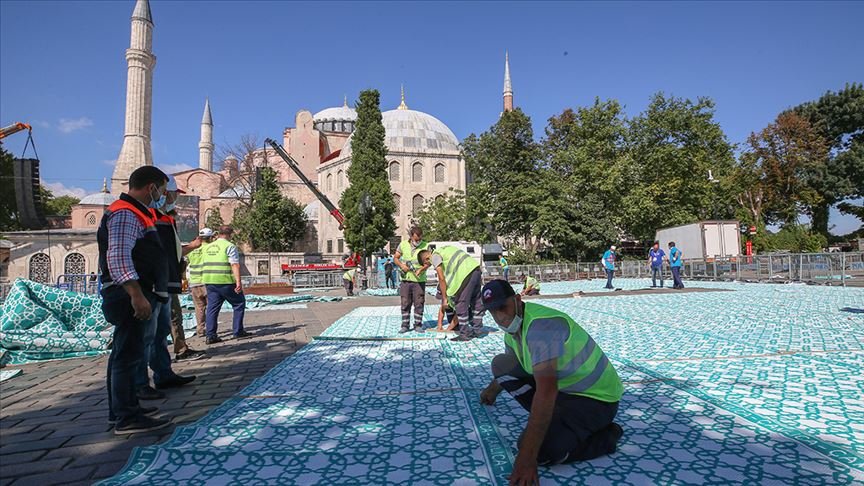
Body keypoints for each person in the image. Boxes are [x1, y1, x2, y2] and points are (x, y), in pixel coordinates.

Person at [479, 280, 624, 483]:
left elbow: (546, 392)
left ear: (518, 300)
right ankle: (556, 422)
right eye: (492, 312)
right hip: (566, 391)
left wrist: (526, 459)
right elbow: (516, 368)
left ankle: (607, 437)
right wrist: (493, 389)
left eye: (503, 307)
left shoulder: (541, 327)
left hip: (596, 400)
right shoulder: (514, 330)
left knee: (540, 452)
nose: (499, 317)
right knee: (501, 365)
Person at [98, 166, 171, 434]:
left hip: (133, 292)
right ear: (150, 187)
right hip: (128, 294)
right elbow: (118, 256)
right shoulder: (127, 212)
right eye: (161, 190)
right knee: (127, 355)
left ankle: (123, 409)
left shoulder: (136, 212)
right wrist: (136, 295)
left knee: (125, 353)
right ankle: (126, 417)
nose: (161, 196)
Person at [158, 175, 207, 362]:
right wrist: (193, 247)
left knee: (173, 317)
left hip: (170, 278)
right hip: (161, 281)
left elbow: (174, 251)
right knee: (168, 319)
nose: (174, 199)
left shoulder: (167, 219)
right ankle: (176, 352)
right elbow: (169, 251)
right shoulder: (158, 219)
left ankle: (175, 354)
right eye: (172, 194)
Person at [418, 245, 485, 342]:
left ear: (427, 258)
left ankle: (465, 334)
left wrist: (445, 298)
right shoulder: (444, 249)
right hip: (475, 270)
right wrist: (440, 326)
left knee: (461, 304)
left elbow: (441, 278)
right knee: (476, 301)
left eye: (427, 264)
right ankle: (477, 330)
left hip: (465, 274)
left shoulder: (435, 257)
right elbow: (442, 310)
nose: (431, 265)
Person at [202, 226, 250, 344]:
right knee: (239, 303)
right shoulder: (229, 246)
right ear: (230, 235)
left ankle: (211, 335)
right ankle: (238, 331)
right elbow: (234, 264)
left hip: (209, 281)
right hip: (225, 281)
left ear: (218, 234)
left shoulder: (207, 247)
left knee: (212, 308)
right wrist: (238, 282)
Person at [393, 226, 430, 333]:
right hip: (405, 279)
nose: (418, 241)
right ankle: (405, 325)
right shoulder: (403, 245)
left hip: (419, 280)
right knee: (405, 302)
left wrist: (422, 269)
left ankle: (418, 324)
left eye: (420, 239)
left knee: (419, 302)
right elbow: (396, 258)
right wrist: (401, 265)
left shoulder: (426, 246)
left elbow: (429, 263)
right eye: (416, 239)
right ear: (411, 237)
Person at [186, 228, 215, 337]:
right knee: (211, 306)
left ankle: (200, 329)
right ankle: (211, 329)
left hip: (194, 282)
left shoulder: (192, 248)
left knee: (199, 307)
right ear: (210, 237)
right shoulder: (210, 248)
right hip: (207, 281)